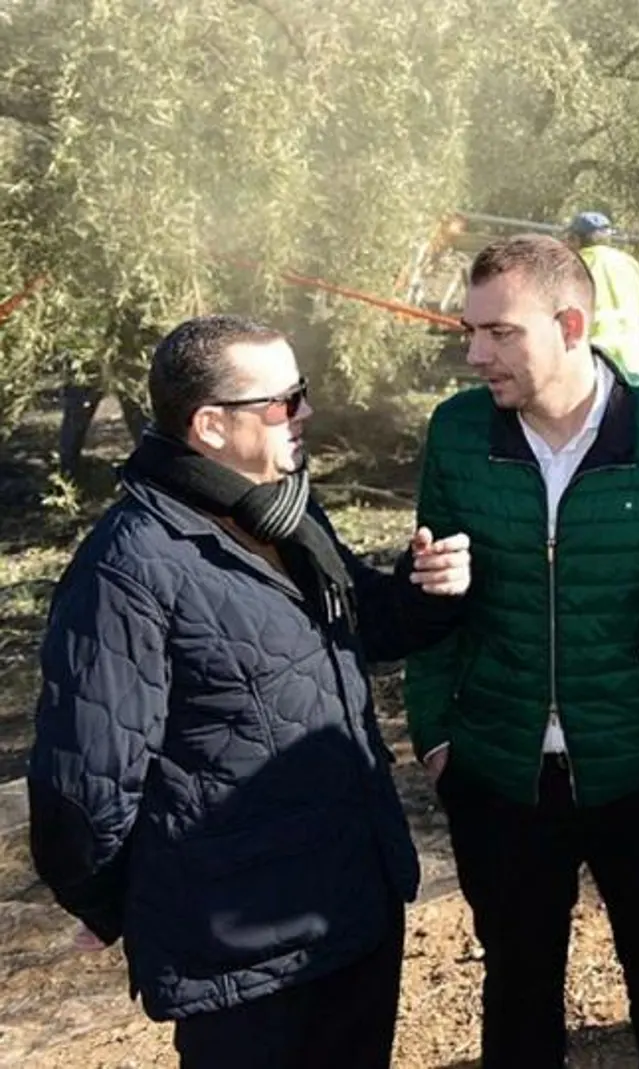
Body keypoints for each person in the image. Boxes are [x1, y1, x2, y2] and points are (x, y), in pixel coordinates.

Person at [28, 315, 471, 1068]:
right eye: (284, 400)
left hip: (351, 909)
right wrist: (115, 906)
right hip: (241, 952)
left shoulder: (284, 512)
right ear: (208, 425)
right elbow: (84, 785)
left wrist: (428, 593)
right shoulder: (129, 569)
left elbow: (360, 625)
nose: (303, 414)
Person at [404, 234, 639, 1068]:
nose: (474, 353)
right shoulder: (457, 434)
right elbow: (433, 591)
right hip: (499, 769)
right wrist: (438, 735)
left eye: (499, 333)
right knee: (518, 987)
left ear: (569, 324)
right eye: (470, 330)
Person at [564, 210, 639, 377]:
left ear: (576, 239)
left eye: (569, 239)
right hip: (637, 367)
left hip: (595, 366)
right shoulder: (635, 268)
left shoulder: (573, 268)